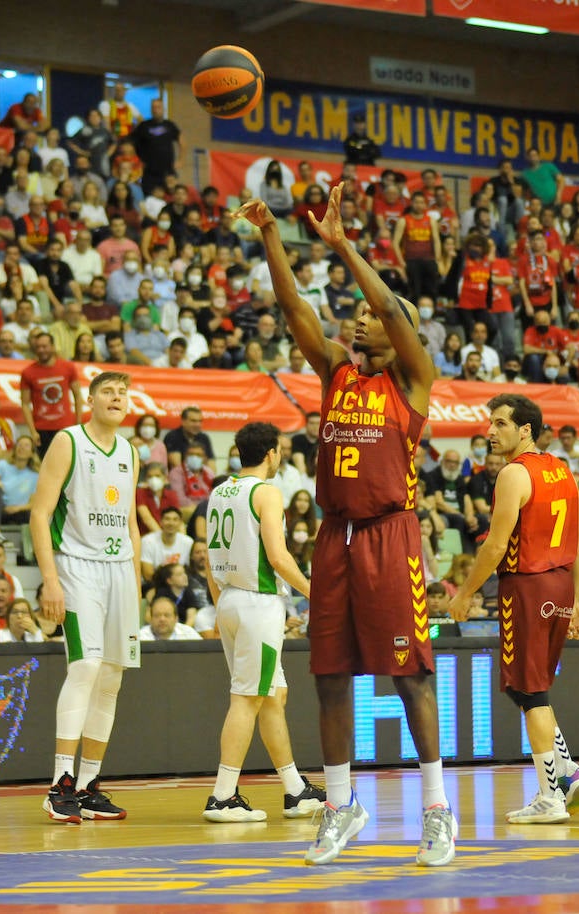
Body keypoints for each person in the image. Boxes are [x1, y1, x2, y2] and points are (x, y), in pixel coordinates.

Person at [241, 186, 456, 867]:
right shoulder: (337, 373)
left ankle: (436, 811)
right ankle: (339, 807)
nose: (361, 322)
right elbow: (294, 308)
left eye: (371, 317)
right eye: (357, 315)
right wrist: (273, 236)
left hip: (391, 537)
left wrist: (342, 246)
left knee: (411, 678)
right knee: (329, 676)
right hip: (334, 537)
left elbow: (393, 307)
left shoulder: (414, 382)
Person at [445, 395, 579, 824]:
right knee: (525, 688)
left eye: (500, 424)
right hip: (561, 584)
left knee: (530, 691)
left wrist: (466, 592)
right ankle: (567, 770)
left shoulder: (513, 473)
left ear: (525, 429)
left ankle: (551, 794)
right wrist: (578, 599)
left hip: (527, 586)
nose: (490, 432)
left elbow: (495, 544)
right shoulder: (563, 470)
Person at [32, 372, 141, 823]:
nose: (116, 398)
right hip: (77, 566)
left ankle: (87, 784)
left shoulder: (131, 452)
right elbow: (39, 513)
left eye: (122, 393)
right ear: (89, 399)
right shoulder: (67, 441)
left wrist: (135, 582)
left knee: (112, 676)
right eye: (108, 392)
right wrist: (50, 580)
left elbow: (131, 521)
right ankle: (58, 783)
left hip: (119, 571)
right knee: (86, 665)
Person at [201, 422, 322, 822]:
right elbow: (278, 557)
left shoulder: (220, 490)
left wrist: (221, 607)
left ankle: (295, 790)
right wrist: (314, 593)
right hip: (257, 604)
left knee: (273, 695)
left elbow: (207, 555)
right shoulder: (267, 493)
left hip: (230, 600)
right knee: (247, 698)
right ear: (272, 453)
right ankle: (222, 796)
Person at [20, 332, 82, 456]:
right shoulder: (27, 372)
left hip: (66, 427)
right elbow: (25, 404)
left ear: (53, 347)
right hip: (42, 430)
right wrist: (33, 431)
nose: (41, 350)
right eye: (38, 347)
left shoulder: (68, 367)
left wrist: (79, 425)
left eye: (45, 346)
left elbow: (78, 396)